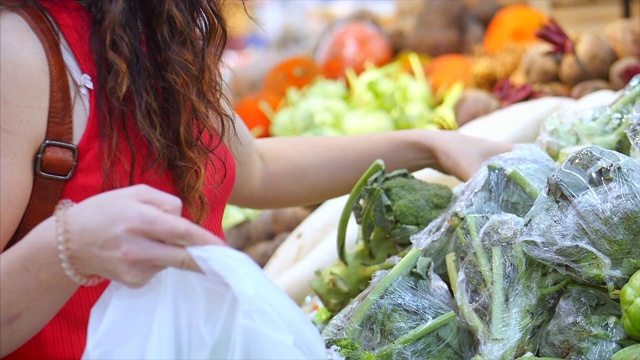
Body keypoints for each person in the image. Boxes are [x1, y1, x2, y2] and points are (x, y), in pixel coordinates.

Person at [0, 0, 513, 358]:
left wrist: (428, 146)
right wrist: (67, 245)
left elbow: (255, 169)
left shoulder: (160, 37)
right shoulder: (20, 54)